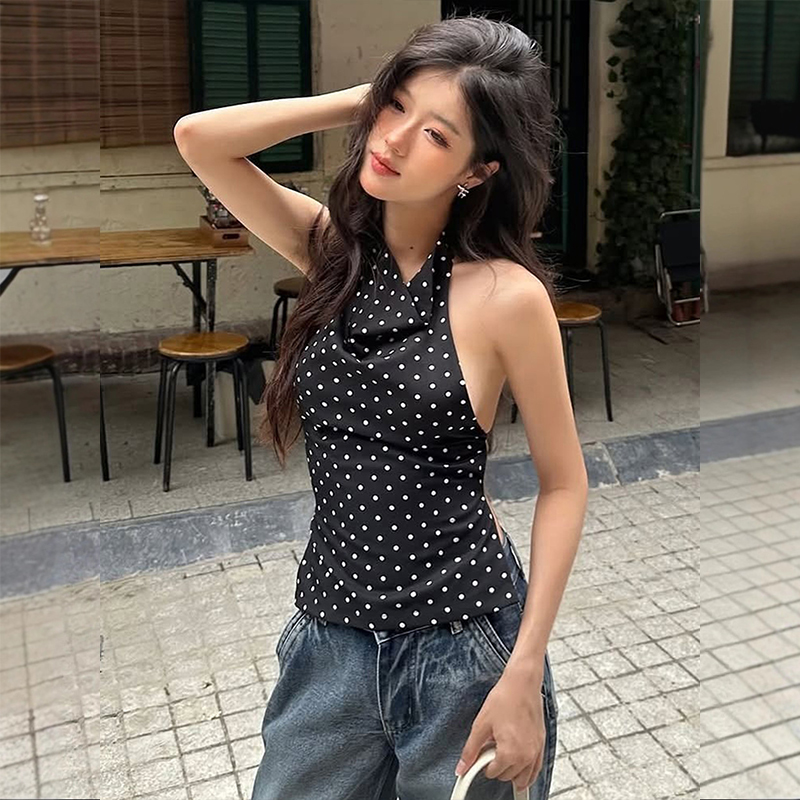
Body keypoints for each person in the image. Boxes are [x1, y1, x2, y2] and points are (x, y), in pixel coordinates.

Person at [174, 13, 588, 800]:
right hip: (330, 639)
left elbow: (564, 484)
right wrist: (359, 101)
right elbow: (199, 139)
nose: (393, 139)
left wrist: (523, 672)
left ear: (477, 170)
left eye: (435, 134)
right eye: (395, 106)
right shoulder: (330, 251)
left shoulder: (505, 297)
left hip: (464, 650)